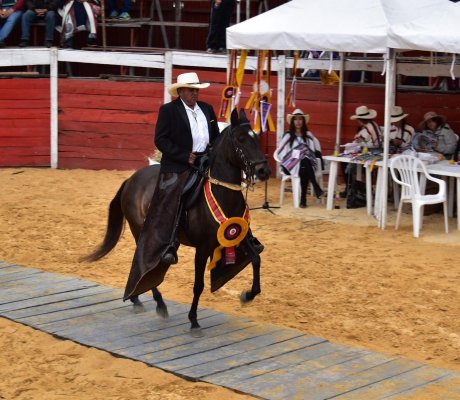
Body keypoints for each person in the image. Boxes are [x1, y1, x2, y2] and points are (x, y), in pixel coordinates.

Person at [138, 72, 220, 266]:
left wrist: (213, 147)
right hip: (179, 164)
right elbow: (160, 139)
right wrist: (184, 155)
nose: (194, 93)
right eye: (191, 90)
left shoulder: (207, 109)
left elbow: (216, 136)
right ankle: (170, 244)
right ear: (181, 91)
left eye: (196, 90)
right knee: (174, 197)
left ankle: (241, 237)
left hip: (206, 162)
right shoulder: (169, 110)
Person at [275, 108, 324, 208]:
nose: (298, 122)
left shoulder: (308, 135)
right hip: (290, 165)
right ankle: (313, 187)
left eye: (300, 119)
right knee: (304, 160)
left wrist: (303, 152)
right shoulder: (288, 136)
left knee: (305, 161)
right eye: (296, 119)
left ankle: (303, 199)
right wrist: (298, 153)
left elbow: (312, 152)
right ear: (293, 121)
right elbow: (282, 152)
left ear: (303, 121)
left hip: (306, 164)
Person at [340, 105, 382, 198]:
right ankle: (356, 188)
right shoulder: (374, 124)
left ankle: (351, 187)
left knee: (345, 161)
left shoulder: (366, 129)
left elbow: (357, 142)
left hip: (372, 154)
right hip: (378, 152)